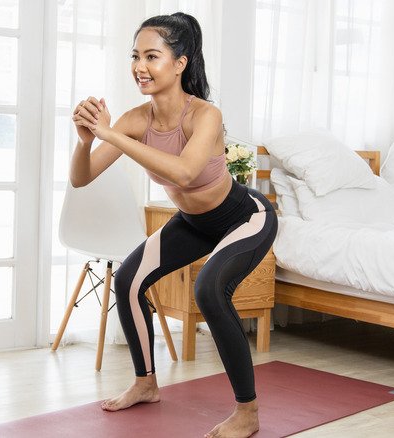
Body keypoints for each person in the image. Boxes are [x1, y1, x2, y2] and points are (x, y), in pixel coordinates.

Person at [68, 12, 277, 438]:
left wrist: (110, 136)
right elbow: (82, 177)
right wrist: (86, 139)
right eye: (135, 56)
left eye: (151, 56)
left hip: (244, 218)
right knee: (126, 280)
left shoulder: (205, 115)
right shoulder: (135, 120)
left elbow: (183, 173)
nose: (139, 67)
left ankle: (248, 412)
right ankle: (145, 382)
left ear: (180, 63)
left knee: (210, 290)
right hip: (194, 223)